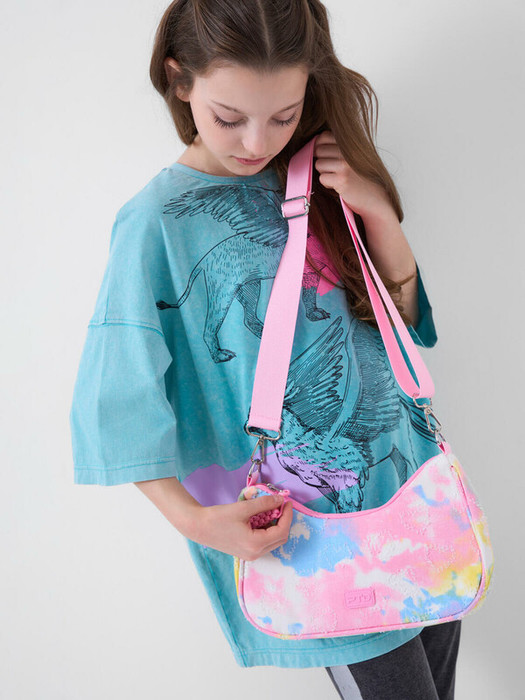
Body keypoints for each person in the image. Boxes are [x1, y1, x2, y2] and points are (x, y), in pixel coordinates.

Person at [69, 0, 461, 697]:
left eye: (284, 116)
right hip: (315, 540)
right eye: (230, 117)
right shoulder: (155, 224)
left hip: (414, 501)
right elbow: (115, 402)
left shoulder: (316, 178)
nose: (257, 142)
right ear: (179, 80)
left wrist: (376, 213)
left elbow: (402, 326)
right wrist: (195, 521)